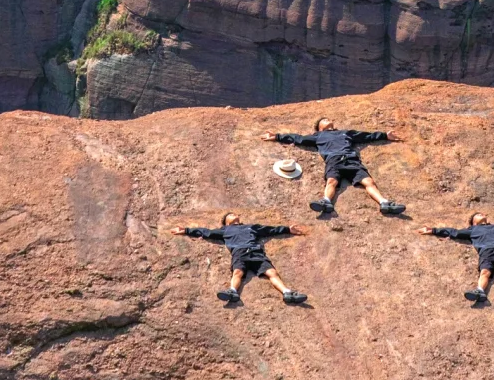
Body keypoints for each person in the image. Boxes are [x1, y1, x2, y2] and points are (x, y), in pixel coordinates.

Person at [263, 118, 405, 216]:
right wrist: (277, 136)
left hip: (351, 160)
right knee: (332, 181)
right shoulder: (318, 136)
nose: (327, 120)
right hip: (334, 160)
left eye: (328, 119)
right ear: (319, 127)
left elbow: (365, 136)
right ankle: (326, 202)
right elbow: (298, 138)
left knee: (369, 182)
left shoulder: (345, 132)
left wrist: (385, 135)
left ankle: (384, 203)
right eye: (323, 120)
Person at [172, 213, 308, 305]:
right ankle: (232, 292)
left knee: (272, 273)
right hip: (240, 252)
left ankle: (287, 293)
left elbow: (269, 230)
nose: (233, 215)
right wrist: (186, 230)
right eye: (230, 215)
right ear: (225, 223)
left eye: (234, 214)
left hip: (256, 252)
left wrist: (287, 230)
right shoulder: (225, 230)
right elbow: (206, 232)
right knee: (238, 272)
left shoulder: (251, 227)